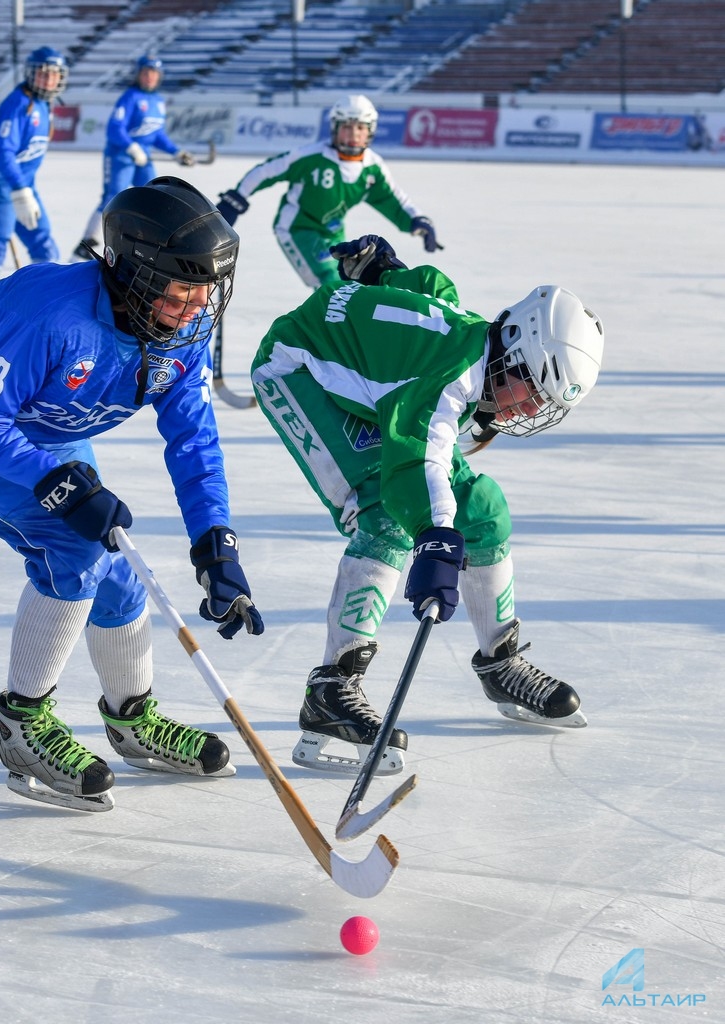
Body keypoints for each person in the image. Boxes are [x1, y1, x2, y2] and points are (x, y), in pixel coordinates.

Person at [0, 177, 264, 813]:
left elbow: (194, 443)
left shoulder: (181, 329)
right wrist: (56, 483)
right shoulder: (54, 318)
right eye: (184, 286)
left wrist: (215, 543)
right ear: (136, 275)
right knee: (72, 543)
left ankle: (131, 719)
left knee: (116, 564)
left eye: (210, 288)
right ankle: (22, 726)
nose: (200, 304)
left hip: (33, 419)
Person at [249, 235, 604, 774]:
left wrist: (382, 271)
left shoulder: (478, 336)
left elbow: (431, 287)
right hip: (298, 369)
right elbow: (414, 465)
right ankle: (332, 689)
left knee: (482, 508)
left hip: (378, 382)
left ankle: (500, 662)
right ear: (512, 347)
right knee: (385, 515)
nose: (525, 409)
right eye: (528, 391)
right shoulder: (451, 375)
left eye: (539, 405)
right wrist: (435, 539)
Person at [215, 94, 439, 289]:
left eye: (360, 127)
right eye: (347, 127)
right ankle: (329, 329)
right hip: (297, 228)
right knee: (329, 278)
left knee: (349, 281)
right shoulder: (312, 157)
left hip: (333, 231)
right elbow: (267, 171)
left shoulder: (373, 167)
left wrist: (417, 220)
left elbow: (392, 198)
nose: (353, 134)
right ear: (335, 128)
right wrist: (237, 198)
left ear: (370, 131)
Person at [71, 53, 196, 261]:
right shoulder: (130, 97)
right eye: (146, 72)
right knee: (113, 196)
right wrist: (131, 147)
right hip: (121, 155)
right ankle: (87, 242)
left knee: (154, 194)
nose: (150, 77)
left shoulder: (158, 101)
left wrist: (176, 152)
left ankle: (150, 240)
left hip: (143, 158)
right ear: (139, 74)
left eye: (154, 73)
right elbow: (114, 129)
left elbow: (156, 134)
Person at [0, 46, 69, 293]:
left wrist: (25, 190)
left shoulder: (45, 105)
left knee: (46, 249)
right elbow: (0, 151)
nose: (49, 79)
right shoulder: (17, 104)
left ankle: (43, 305)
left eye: (54, 74)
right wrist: (19, 188)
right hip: (0, 191)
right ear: (31, 74)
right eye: (43, 73)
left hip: (27, 189)